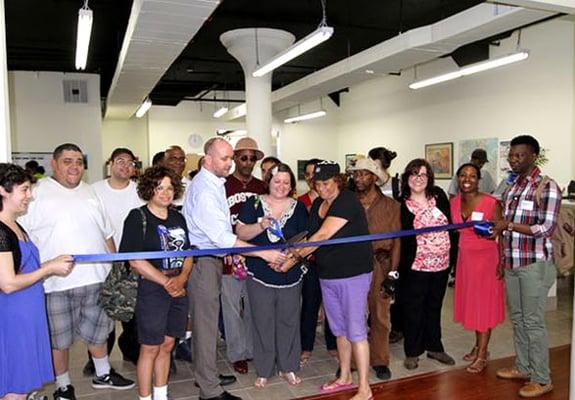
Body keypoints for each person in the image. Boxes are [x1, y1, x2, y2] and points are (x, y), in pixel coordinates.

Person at [19, 143, 135, 400]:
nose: (74, 167)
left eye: (79, 162)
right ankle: (63, 386)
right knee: (59, 340)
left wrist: (114, 267)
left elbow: (106, 233)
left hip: (96, 278)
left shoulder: (90, 192)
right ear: (54, 163)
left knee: (99, 332)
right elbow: (22, 239)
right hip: (56, 283)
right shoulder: (36, 194)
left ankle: (103, 373)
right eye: (67, 161)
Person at [183, 137, 286, 400]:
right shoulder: (205, 189)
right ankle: (209, 390)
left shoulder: (214, 183)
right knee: (206, 327)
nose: (230, 164)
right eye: (224, 158)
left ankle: (207, 375)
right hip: (204, 261)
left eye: (231, 158)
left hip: (212, 259)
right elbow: (221, 238)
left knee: (207, 324)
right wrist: (263, 254)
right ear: (207, 159)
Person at [280, 161, 373, 400]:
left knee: (356, 330)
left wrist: (290, 258)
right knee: (339, 329)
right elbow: (311, 238)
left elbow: (321, 236)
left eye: (327, 183)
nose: (322, 189)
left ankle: (365, 388)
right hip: (328, 273)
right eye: (317, 184)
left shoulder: (348, 201)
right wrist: (290, 258)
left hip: (353, 273)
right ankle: (344, 377)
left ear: (338, 181)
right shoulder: (318, 205)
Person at [492, 135, 561, 398]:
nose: (513, 159)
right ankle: (523, 366)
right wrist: (500, 251)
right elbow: (505, 226)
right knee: (519, 319)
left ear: (533, 156)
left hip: (535, 264)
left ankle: (542, 378)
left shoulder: (547, 186)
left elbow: (546, 228)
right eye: (511, 155)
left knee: (533, 322)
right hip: (512, 263)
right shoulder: (513, 187)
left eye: (519, 155)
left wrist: (507, 225)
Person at [0, 164, 73, 400]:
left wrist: (50, 263)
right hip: (13, 319)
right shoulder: (1, 232)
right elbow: (8, 283)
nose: (29, 196)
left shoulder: (16, 226)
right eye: (24, 190)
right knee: (15, 386)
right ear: (3, 191)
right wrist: (49, 269)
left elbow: (22, 269)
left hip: (28, 315)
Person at [120, 165, 193, 400]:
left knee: (168, 345)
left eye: (170, 187)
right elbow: (134, 260)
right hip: (151, 288)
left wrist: (181, 279)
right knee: (150, 346)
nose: (165, 192)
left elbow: (188, 254)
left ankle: (161, 394)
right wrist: (165, 282)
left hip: (178, 286)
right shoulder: (137, 217)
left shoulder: (178, 217)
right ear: (149, 189)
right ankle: (145, 397)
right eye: (159, 187)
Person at [236, 163, 308, 388]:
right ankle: (264, 369)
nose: (281, 186)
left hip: (290, 273)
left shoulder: (298, 208)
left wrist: (289, 260)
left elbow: (305, 239)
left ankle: (288, 366)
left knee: (289, 321)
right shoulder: (254, 203)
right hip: (259, 273)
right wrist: (261, 225)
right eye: (277, 181)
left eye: (286, 182)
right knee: (262, 322)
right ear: (268, 181)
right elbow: (240, 233)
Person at [398, 158, 456, 370]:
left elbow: (451, 226)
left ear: (429, 178)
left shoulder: (439, 196)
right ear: (407, 178)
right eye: (414, 174)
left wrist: (453, 258)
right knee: (413, 309)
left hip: (441, 264)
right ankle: (412, 351)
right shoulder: (401, 203)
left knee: (434, 306)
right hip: (415, 267)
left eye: (423, 174)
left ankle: (434, 347)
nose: (418, 179)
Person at [90, 148, 144, 368]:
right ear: (110, 164)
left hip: (134, 259)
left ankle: (131, 351)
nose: (125, 166)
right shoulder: (95, 190)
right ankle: (96, 360)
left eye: (129, 162)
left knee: (132, 311)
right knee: (102, 312)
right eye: (120, 161)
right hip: (103, 259)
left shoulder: (140, 190)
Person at [450, 163, 505, 374]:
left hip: (486, 260)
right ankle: (477, 346)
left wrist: (502, 261)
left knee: (484, 307)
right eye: (463, 175)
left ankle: (482, 354)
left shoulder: (491, 202)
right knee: (474, 306)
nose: (467, 179)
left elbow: (501, 234)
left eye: (472, 176)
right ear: (457, 178)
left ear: (478, 179)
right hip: (465, 261)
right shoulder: (454, 202)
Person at [349, 158, 401, 381]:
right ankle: (351, 361)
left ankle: (380, 360)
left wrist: (393, 274)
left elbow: (398, 241)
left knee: (380, 316)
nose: (359, 178)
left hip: (381, 264)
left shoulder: (392, 206)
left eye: (364, 174)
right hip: (353, 265)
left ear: (374, 177)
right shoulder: (348, 203)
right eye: (356, 174)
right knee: (355, 315)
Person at [223, 137, 266, 374]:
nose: (248, 162)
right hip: (230, 255)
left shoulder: (261, 187)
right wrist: (225, 250)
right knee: (230, 306)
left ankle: (251, 349)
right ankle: (237, 353)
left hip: (256, 256)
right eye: (243, 157)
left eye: (252, 158)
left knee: (253, 306)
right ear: (235, 158)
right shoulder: (223, 185)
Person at [297, 158, 337, 366]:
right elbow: (306, 233)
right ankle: (306, 346)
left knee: (332, 306)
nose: (315, 179)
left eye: (320, 176)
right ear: (307, 177)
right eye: (312, 175)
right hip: (310, 261)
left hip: (332, 262)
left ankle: (333, 344)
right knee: (310, 305)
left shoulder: (336, 200)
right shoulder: (302, 202)